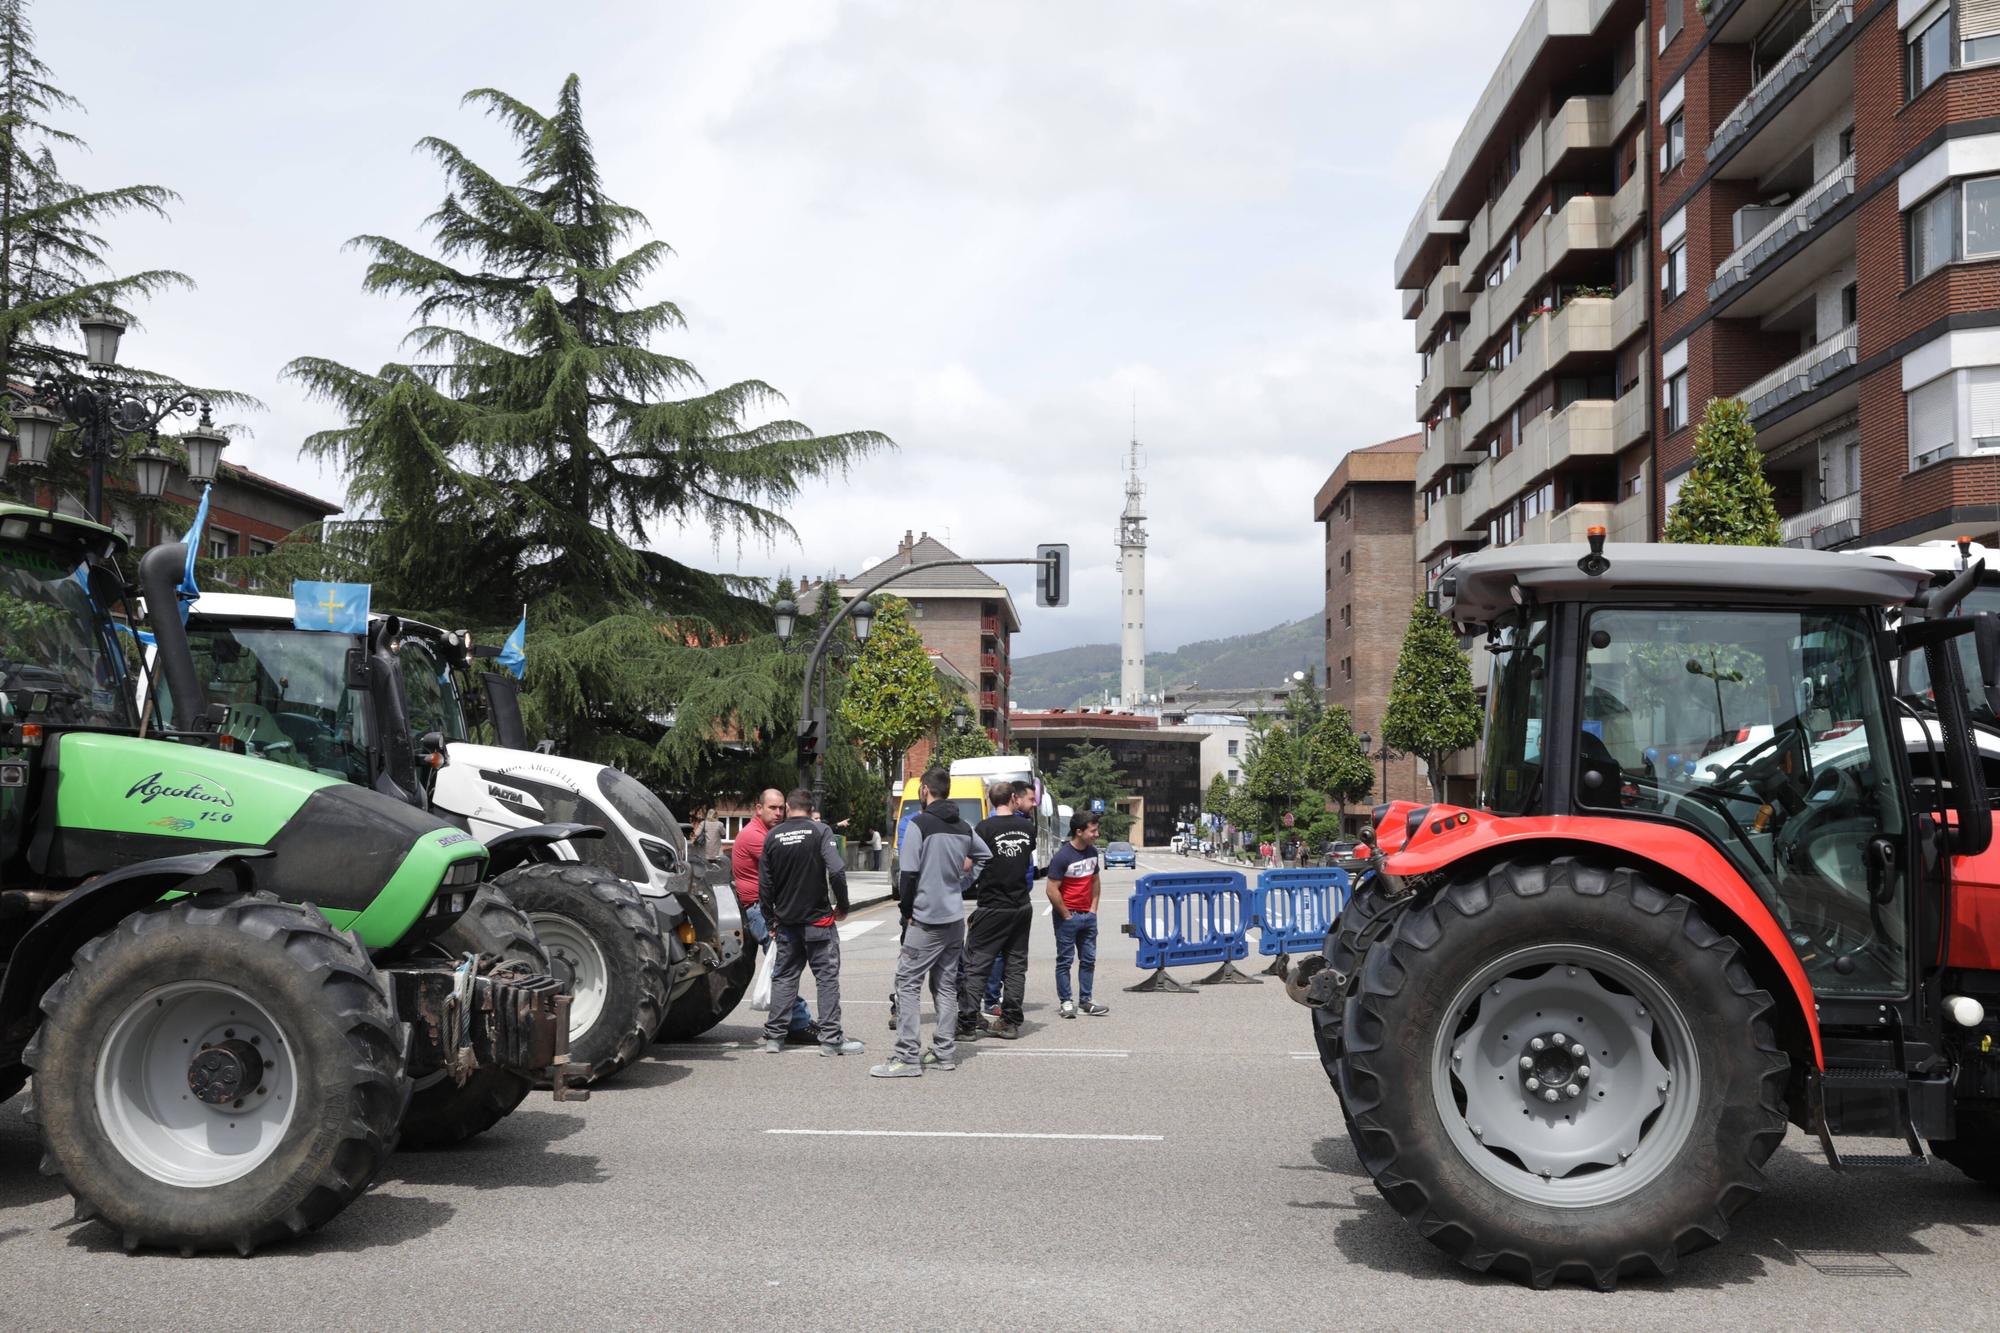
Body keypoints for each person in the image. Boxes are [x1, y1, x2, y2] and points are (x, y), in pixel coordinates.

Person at [873, 768, 990, 1077]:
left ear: (924, 790)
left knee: (907, 984)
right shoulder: (964, 826)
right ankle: (943, 1053)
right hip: (954, 918)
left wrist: (906, 910)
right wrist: (963, 883)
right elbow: (984, 856)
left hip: (926, 918)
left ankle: (907, 1057)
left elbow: (908, 874)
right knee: (946, 986)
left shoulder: (919, 825)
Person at [756, 788, 864, 1057]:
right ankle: (830, 1040)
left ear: (789, 808)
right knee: (826, 979)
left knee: (784, 978)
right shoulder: (820, 831)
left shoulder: (772, 836)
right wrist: (843, 905)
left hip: (787, 922)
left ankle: (774, 1037)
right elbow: (837, 870)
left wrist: (770, 918)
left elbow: (765, 885)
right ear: (809, 807)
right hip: (818, 921)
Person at [732, 788, 815, 1041]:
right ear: (759, 808)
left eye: (781, 808)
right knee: (784, 968)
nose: (778, 813)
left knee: (783, 967)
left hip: (767, 908)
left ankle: (786, 1022)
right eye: (773, 808)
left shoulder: (769, 834)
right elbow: (786, 867)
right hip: (759, 910)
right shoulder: (757, 836)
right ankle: (797, 1024)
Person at [958, 780, 1038, 1041]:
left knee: (977, 964)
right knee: (1015, 965)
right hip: (1021, 904)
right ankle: (1010, 1022)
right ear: (1014, 798)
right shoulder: (1028, 827)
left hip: (993, 904)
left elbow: (968, 865)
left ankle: (967, 1023)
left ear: (991, 801)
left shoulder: (984, 827)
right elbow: (1026, 858)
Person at [1046, 811, 1111, 1019]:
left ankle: (1086, 1000)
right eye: (1093, 831)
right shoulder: (1062, 857)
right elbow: (1051, 890)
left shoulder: (1092, 852)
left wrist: (1093, 909)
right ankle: (1066, 1001)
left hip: (1088, 917)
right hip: (1068, 917)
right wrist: (1066, 915)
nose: (1096, 834)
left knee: (1089, 959)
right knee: (1065, 960)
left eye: (1096, 829)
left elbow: (1095, 881)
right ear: (1079, 831)